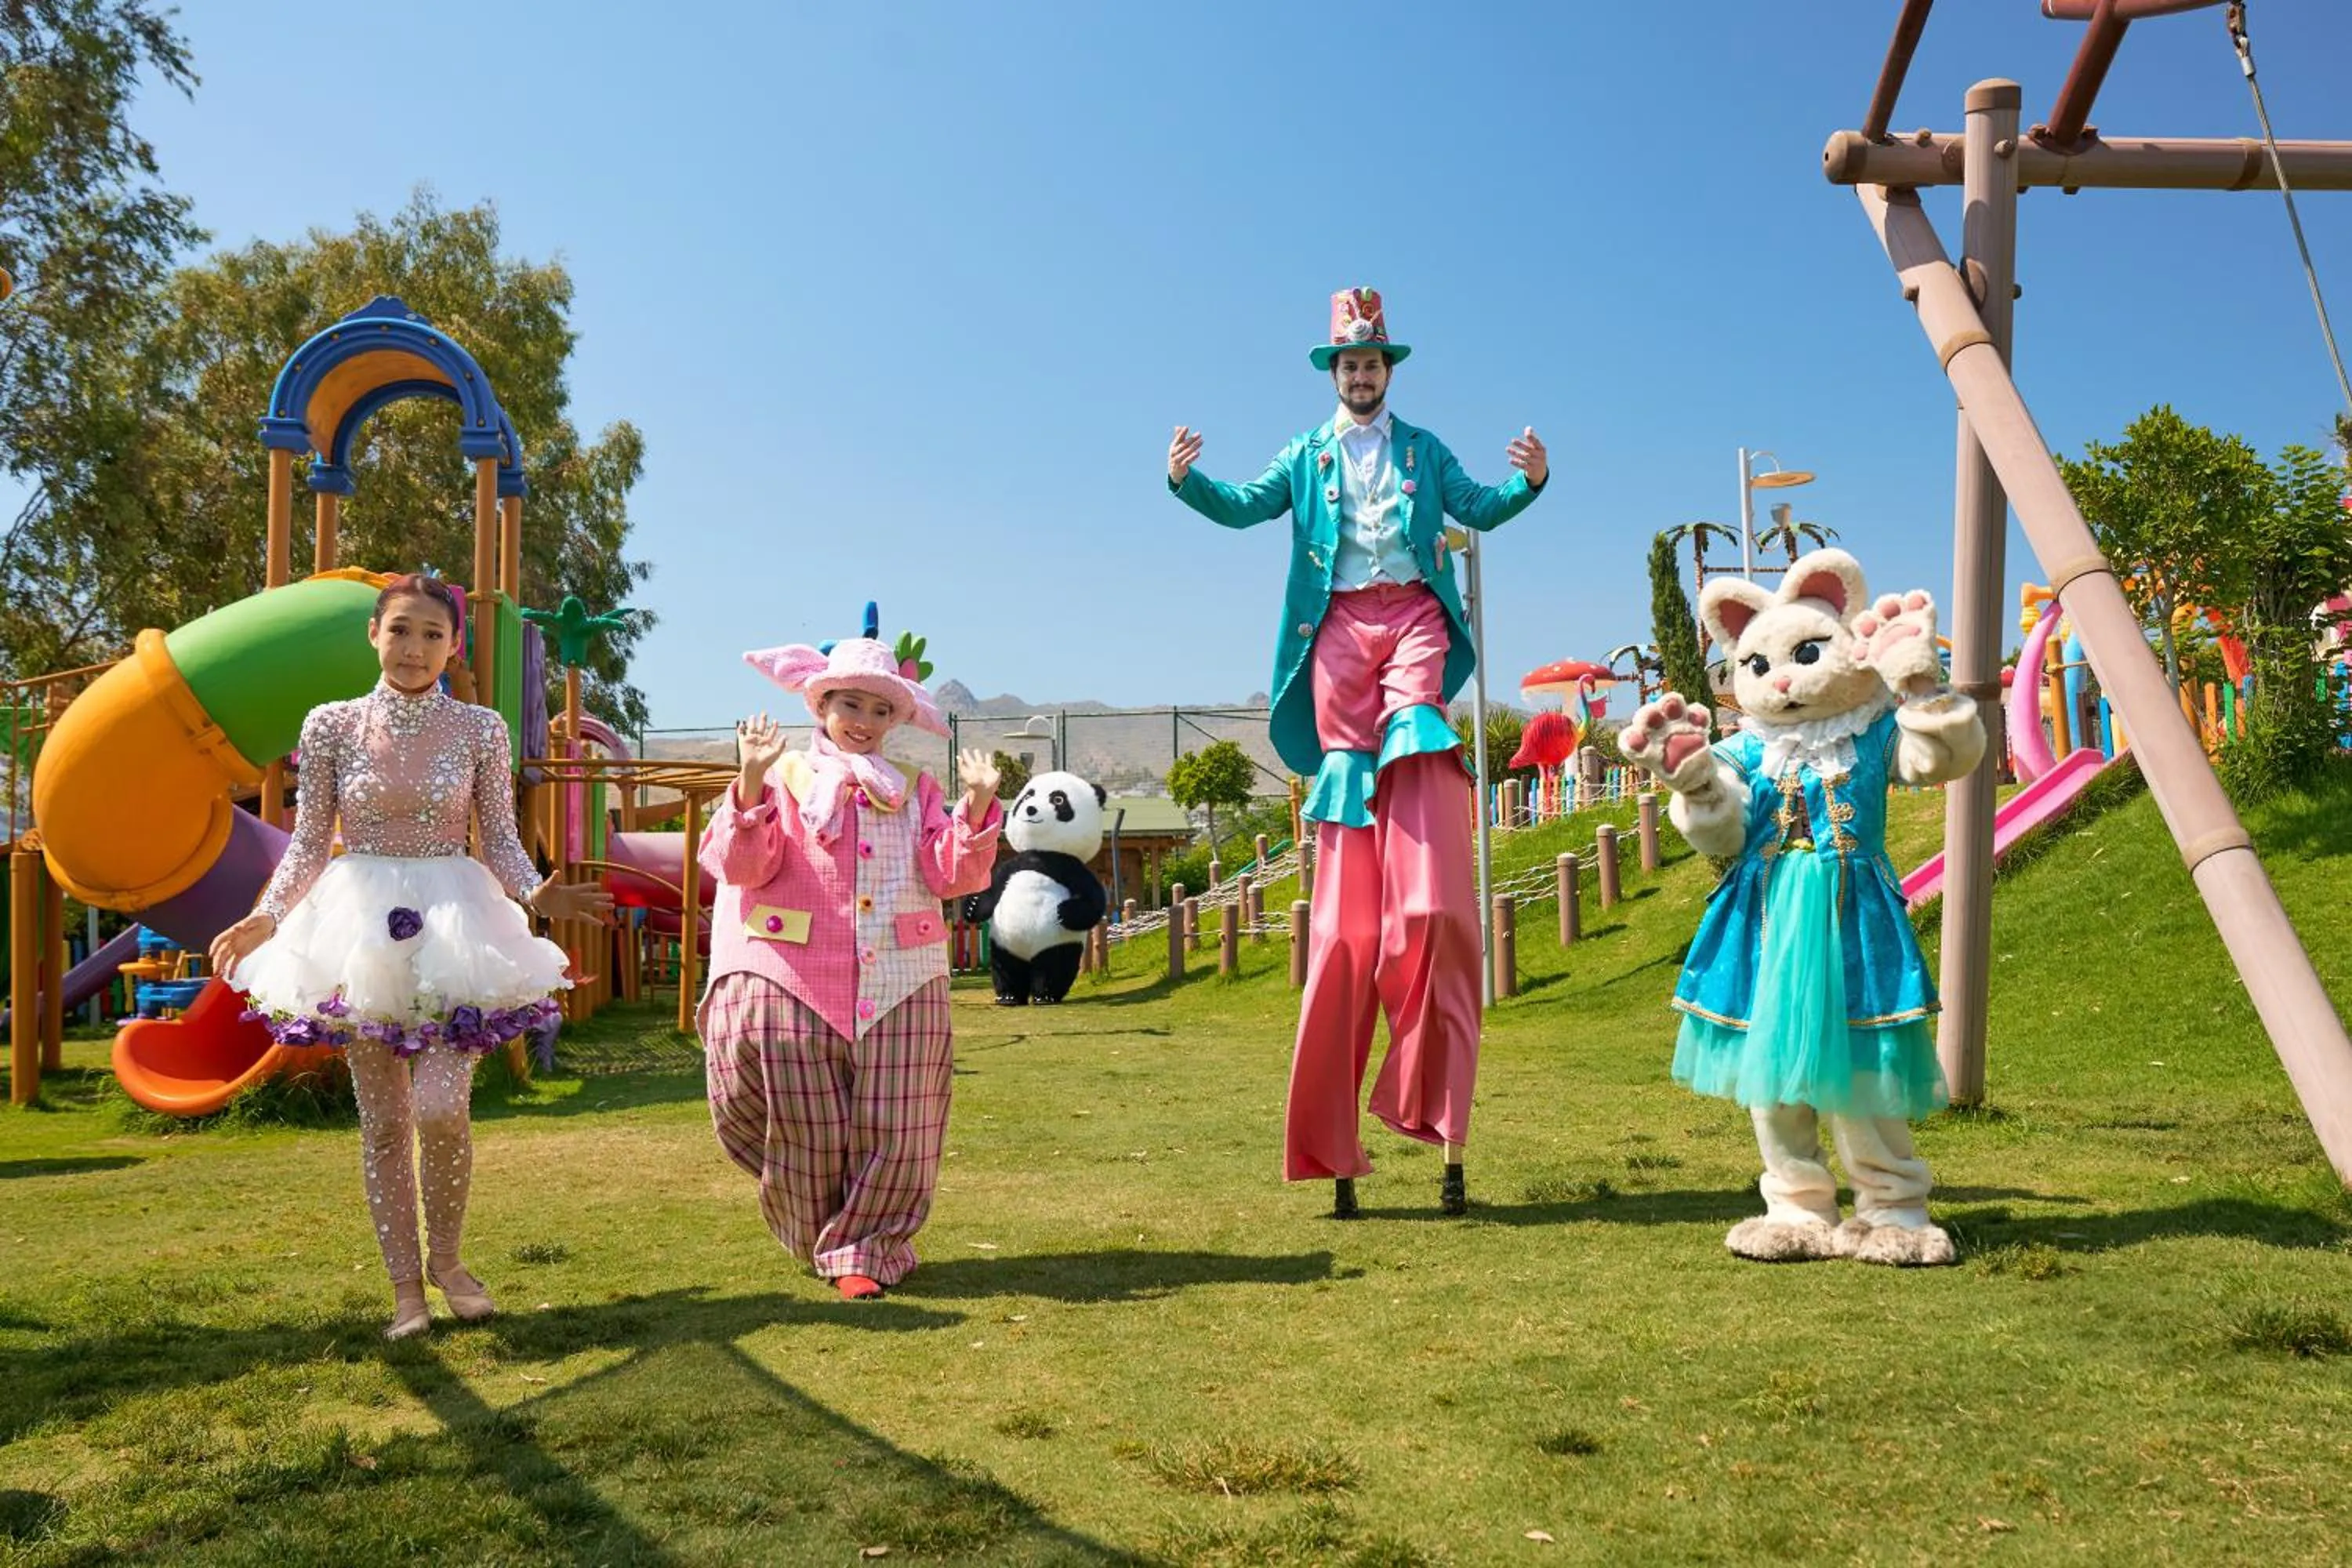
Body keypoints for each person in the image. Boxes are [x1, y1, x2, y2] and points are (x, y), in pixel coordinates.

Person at [1167, 286, 1548, 1217]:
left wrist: (1530, 483)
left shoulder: (1425, 451)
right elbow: (1247, 504)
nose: (1364, 374)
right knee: (1345, 932)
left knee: (1428, 893)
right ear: (1333, 373)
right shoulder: (1305, 455)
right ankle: (1335, 1135)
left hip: (1415, 613)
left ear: (1390, 370)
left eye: (1375, 362)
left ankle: (1430, 1087)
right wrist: (1187, 482)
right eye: (1351, 364)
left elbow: (1478, 507)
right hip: (1335, 629)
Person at [212, 572, 613, 1338]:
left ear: (453, 645)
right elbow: (306, 843)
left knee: (439, 1109)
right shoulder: (330, 724)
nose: (414, 647)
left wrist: (537, 894)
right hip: (356, 929)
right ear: (374, 633)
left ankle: (450, 1259)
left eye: (432, 633)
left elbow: (496, 835)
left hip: (456, 923)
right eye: (401, 629)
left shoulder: (480, 729)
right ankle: (406, 1290)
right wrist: (265, 917)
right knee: (386, 1125)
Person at [699, 633, 1003, 1299]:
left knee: (902, 1122)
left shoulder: (917, 791)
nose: (862, 722)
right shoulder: (784, 779)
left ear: (896, 719)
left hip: (902, 974)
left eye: (877, 710)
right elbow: (744, 867)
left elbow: (950, 873)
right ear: (823, 704)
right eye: (850, 705)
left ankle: (862, 1249)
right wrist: (750, 777)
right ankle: (824, 1234)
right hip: (789, 971)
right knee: (799, 1121)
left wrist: (975, 807)